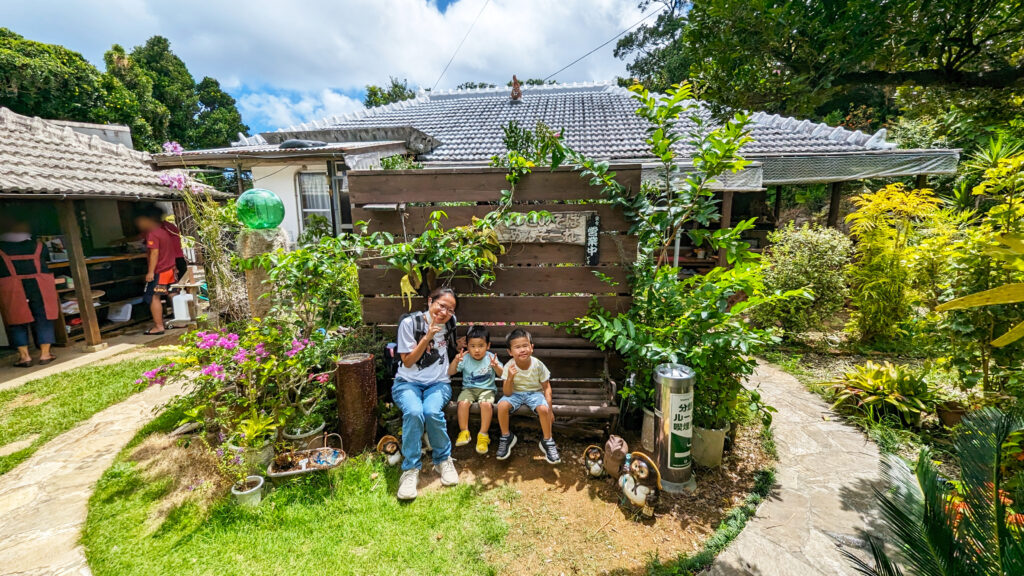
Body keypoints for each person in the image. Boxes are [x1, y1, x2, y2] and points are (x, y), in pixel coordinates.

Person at [393, 287, 461, 500]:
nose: (444, 312)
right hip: (407, 383)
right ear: (430, 301)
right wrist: (428, 336)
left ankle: (443, 460)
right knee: (414, 412)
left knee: (431, 412)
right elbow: (408, 361)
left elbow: (448, 347)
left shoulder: (450, 322)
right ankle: (410, 469)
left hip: (438, 383)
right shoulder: (409, 323)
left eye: (450, 309)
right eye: (441, 305)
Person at [495, 328, 561, 464]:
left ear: (532, 348)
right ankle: (506, 437)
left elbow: (546, 387)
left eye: (525, 346)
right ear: (510, 352)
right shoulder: (509, 366)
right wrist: (510, 378)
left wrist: (550, 410)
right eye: (517, 347)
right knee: (501, 405)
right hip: (515, 393)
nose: (522, 350)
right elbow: (507, 393)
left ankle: (547, 440)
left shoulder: (537, 365)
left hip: (535, 393)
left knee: (543, 410)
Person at [0, 217, 59, 367]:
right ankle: (45, 354)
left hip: (12, 285)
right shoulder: (39, 245)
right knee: (44, 316)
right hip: (39, 284)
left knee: (16, 320)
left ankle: (24, 357)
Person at [448, 325, 503, 454]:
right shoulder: (465, 358)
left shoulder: (490, 358)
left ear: (488, 346)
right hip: (469, 389)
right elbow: (450, 372)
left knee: (485, 404)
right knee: (463, 403)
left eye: (481, 346)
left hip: (487, 390)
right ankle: (464, 432)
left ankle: (483, 435)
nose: (476, 350)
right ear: (467, 346)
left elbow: (503, 374)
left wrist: (496, 367)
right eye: (472, 346)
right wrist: (456, 361)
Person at [134, 205, 178, 335]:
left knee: (154, 297)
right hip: (170, 269)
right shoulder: (163, 231)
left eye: (140, 221)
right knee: (172, 293)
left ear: (147, 220)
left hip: (161, 270)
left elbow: (154, 253)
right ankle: (181, 320)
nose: (139, 224)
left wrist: (150, 271)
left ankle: (158, 326)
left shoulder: (152, 234)